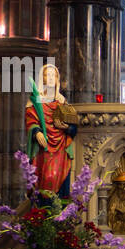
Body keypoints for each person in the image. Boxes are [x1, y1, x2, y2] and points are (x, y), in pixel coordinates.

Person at [25, 63, 77, 197]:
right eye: (48, 75)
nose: (51, 78)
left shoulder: (62, 102)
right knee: (46, 178)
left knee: (59, 178)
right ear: (42, 78)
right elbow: (31, 121)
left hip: (61, 148)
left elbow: (73, 125)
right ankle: (42, 212)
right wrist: (37, 132)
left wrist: (66, 128)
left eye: (54, 75)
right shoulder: (35, 102)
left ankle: (60, 214)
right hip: (44, 148)